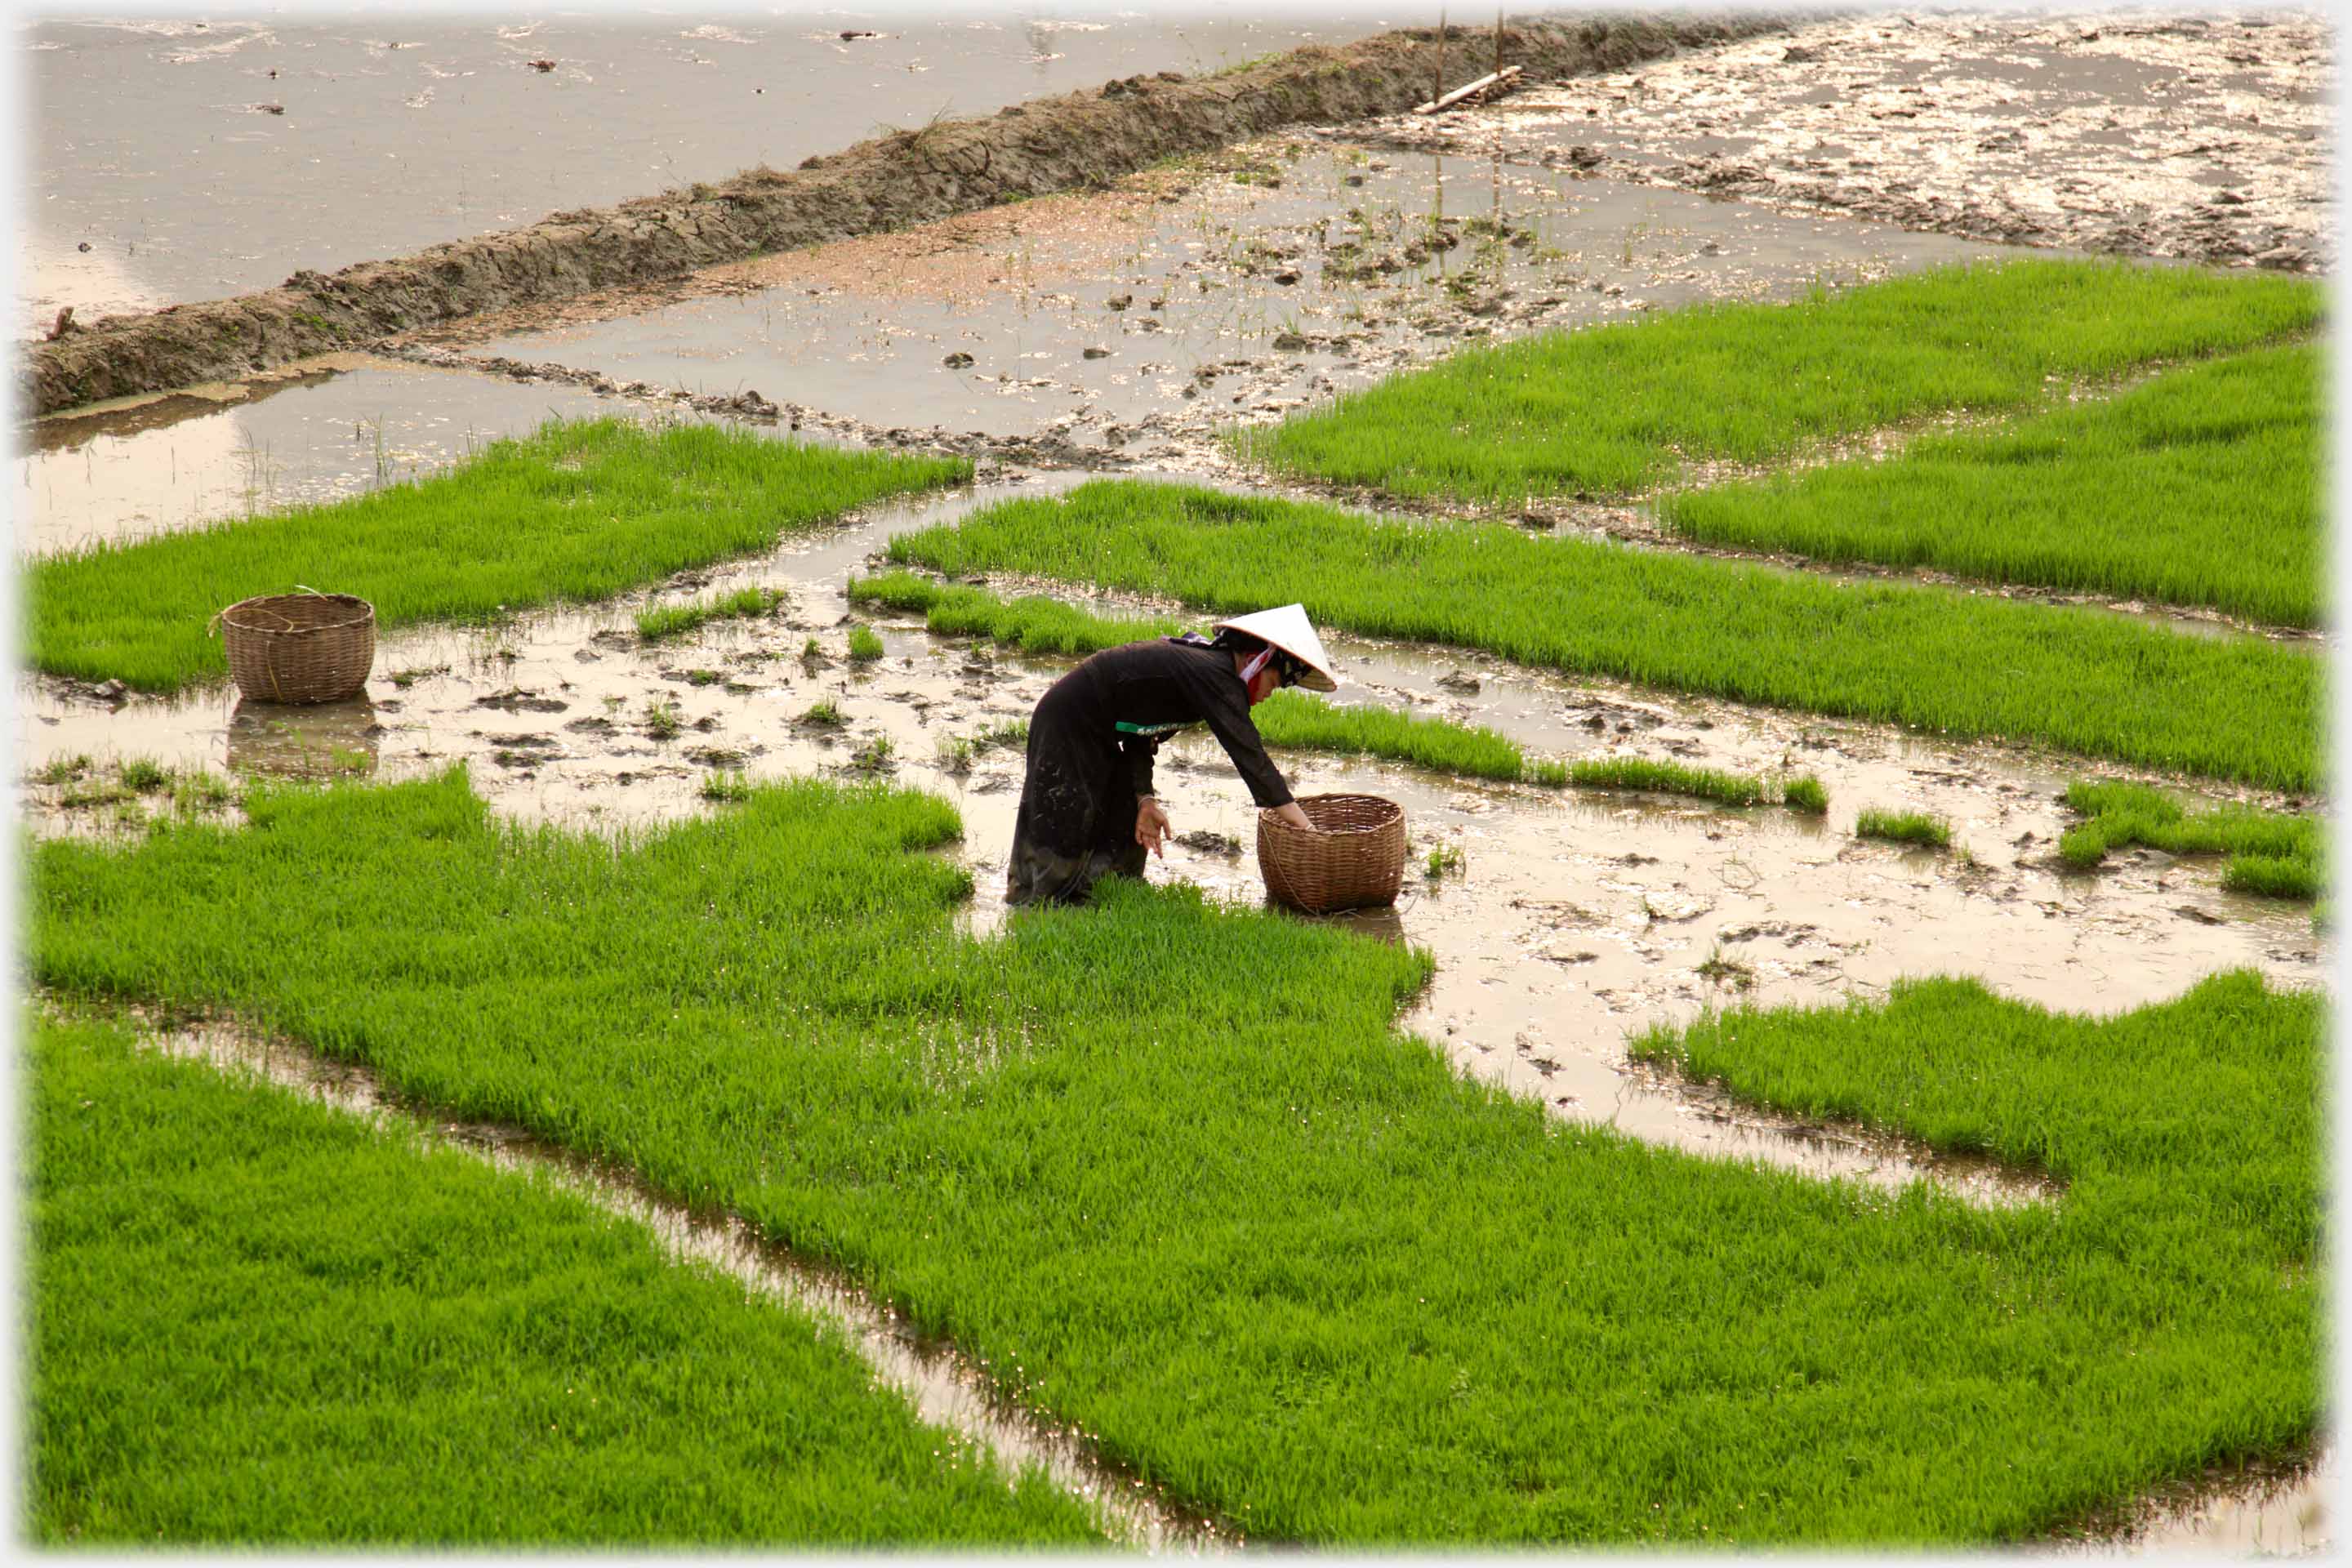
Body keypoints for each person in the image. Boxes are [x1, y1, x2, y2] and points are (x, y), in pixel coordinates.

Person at [1004, 604, 1340, 906]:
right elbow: (1251, 757)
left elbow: (1141, 732)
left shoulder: (1202, 670)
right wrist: (1308, 831)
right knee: (1063, 824)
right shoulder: (1214, 675)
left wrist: (1145, 801)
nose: (1269, 693)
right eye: (1274, 681)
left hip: (1099, 730)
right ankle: (1036, 908)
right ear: (1258, 660)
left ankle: (1105, 899)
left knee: (1123, 821)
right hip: (1067, 722)